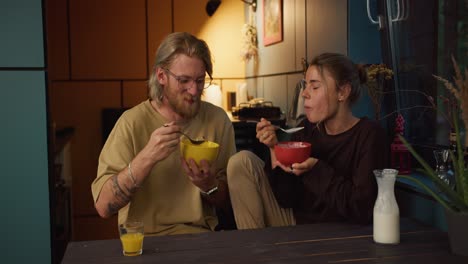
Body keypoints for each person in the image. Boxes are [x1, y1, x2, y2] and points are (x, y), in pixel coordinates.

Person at [91, 32, 236, 236]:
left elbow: (232, 204)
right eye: (184, 80)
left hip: (201, 239)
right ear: (161, 76)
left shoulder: (218, 120)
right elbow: (104, 207)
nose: (194, 91)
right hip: (143, 241)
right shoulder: (131, 123)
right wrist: (147, 156)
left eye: (200, 80)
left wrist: (209, 185)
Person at [227, 52, 389, 229]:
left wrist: (315, 169)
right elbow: (286, 199)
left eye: (315, 86)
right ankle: (255, 250)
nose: (304, 93)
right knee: (241, 162)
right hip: (298, 222)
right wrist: (275, 149)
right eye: (305, 86)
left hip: (341, 230)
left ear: (342, 92)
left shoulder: (370, 136)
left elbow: (362, 209)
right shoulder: (307, 129)